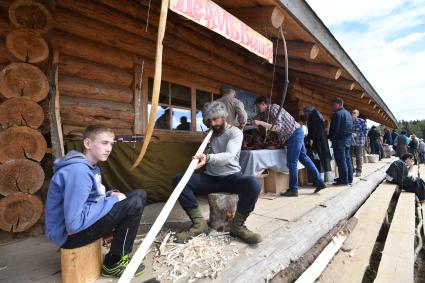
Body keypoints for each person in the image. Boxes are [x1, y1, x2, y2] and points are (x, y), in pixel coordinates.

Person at [45, 125, 147, 278]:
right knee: (134, 203)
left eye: (111, 144)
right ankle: (115, 262)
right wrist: (112, 200)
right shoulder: (78, 172)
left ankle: (121, 254)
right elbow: (74, 223)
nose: (109, 148)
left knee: (138, 194)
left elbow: (91, 200)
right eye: (104, 143)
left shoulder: (89, 167)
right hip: (70, 237)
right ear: (87, 144)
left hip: (76, 229)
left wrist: (109, 196)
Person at [172, 101, 262, 244]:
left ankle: (237, 226)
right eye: (209, 120)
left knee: (254, 184)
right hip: (211, 178)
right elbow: (207, 157)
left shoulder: (235, 133)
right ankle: (199, 224)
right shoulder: (210, 134)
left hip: (232, 177)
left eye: (215, 119)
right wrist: (205, 150)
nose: (213, 123)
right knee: (179, 179)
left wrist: (207, 157)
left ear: (224, 116)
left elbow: (229, 156)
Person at [253, 96, 326, 196]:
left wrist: (260, 123)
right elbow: (257, 119)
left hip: (294, 134)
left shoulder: (273, 108)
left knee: (292, 162)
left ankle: (293, 189)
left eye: (258, 106)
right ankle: (320, 182)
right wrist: (251, 122)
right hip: (296, 133)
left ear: (263, 104)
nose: (258, 109)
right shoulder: (266, 113)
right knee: (304, 158)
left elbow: (278, 128)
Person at [303, 106, 332, 181]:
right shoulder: (319, 115)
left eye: (305, 113)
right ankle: (328, 178)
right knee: (325, 158)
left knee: (318, 159)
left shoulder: (313, 117)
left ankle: (320, 179)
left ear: (308, 112)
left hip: (318, 141)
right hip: (323, 139)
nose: (306, 115)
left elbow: (313, 131)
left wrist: (308, 139)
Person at [329, 98, 353, 186]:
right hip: (347, 140)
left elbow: (335, 129)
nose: (332, 106)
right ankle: (349, 179)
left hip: (339, 141)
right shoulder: (348, 114)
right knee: (347, 160)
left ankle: (343, 180)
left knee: (341, 160)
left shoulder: (337, 114)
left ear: (338, 104)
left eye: (333, 104)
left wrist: (330, 137)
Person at [351, 109, 368, 177]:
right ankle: (352, 170)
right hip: (350, 142)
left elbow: (365, 132)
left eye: (354, 112)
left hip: (359, 142)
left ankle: (358, 171)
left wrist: (356, 134)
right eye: (352, 112)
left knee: (358, 157)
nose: (353, 113)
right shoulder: (349, 121)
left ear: (358, 114)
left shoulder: (362, 121)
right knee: (349, 157)